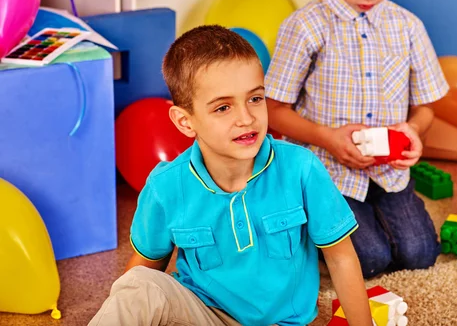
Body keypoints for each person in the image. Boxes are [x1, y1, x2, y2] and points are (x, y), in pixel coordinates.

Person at [89, 25, 372, 325]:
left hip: (283, 322)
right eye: (223, 107)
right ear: (185, 122)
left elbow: (341, 259)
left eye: (255, 99)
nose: (246, 118)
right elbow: (143, 273)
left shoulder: (301, 168)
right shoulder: (166, 187)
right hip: (203, 314)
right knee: (138, 287)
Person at [265, 0, 449, 278]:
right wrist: (327, 137)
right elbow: (273, 109)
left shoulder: (408, 27)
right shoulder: (305, 27)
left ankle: (380, 219)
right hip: (330, 174)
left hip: (389, 173)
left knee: (420, 254)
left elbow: (427, 106)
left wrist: (414, 130)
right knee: (369, 261)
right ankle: (305, 222)